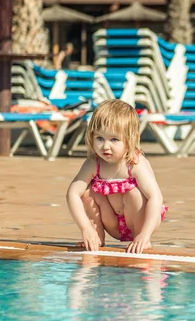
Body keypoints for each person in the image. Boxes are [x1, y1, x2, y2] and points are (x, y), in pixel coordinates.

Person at [66, 99, 168, 254]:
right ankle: (96, 236)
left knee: (134, 192)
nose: (105, 146)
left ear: (130, 138)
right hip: (113, 224)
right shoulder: (94, 162)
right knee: (85, 192)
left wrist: (145, 234)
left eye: (114, 139)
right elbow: (72, 194)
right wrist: (86, 228)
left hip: (140, 222)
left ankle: (141, 239)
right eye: (99, 138)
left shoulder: (134, 163)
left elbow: (156, 197)